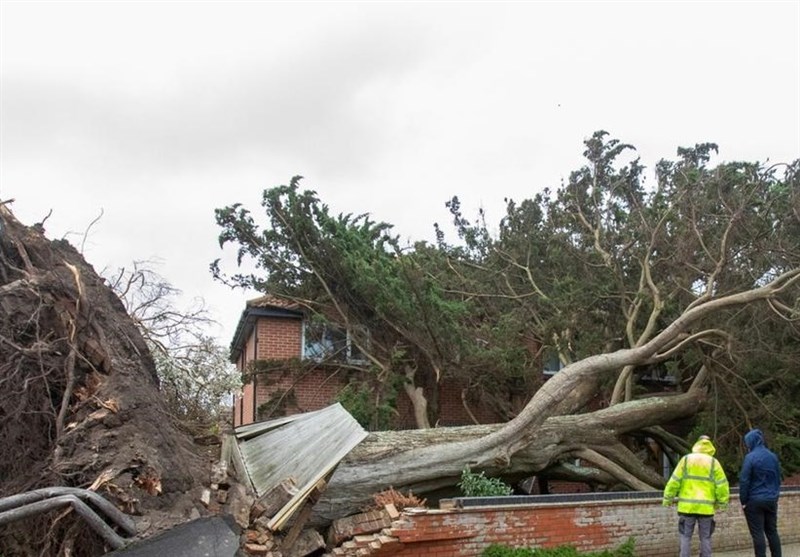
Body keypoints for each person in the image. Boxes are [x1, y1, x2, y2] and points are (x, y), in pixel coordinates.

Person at [663, 435, 730, 557]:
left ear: (697, 444)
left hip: (687, 508)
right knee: (705, 537)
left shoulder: (686, 460)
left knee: (685, 537)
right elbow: (722, 485)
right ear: (710, 446)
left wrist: (668, 498)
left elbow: (674, 480)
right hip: (706, 509)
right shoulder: (714, 463)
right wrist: (722, 503)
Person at [739, 428, 782, 557]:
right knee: (772, 532)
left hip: (754, 500)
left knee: (758, 534)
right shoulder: (773, 456)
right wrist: (775, 496)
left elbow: (744, 480)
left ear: (751, 442)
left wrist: (743, 501)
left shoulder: (750, 458)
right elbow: (778, 478)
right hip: (771, 499)